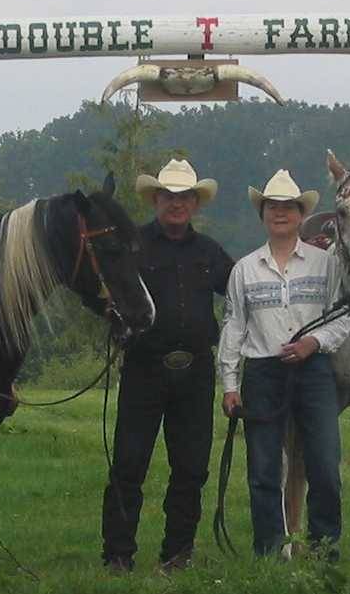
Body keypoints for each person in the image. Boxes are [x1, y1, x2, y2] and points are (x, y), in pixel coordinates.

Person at [101, 158, 235, 572]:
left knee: (191, 467)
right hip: (144, 368)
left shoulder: (211, 252)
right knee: (128, 463)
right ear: (156, 200)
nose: (176, 204)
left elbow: (241, 293)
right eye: (168, 196)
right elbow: (108, 294)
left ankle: (178, 553)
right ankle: (118, 555)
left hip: (195, 373)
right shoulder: (132, 246)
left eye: (184, 197)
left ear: (195, 203)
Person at [218, 169, 350, 557]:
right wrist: (229, 384)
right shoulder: (244, 269)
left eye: (288, 207)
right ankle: (270, 551)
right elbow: (234, 327)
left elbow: (342, 317)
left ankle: (325, 549)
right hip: (262, 372)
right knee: (263, 470)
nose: (280, 213)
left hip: (313, 371)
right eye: (272, 207)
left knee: (325, 464)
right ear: (263, 214)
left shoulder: (325, 264)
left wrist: (314, 342)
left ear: (300, 214)